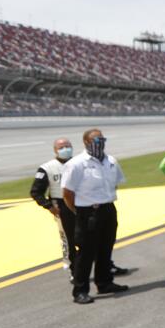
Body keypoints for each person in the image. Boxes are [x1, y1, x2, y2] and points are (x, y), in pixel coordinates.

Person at [62, 129, 129, 304]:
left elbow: (116, 184)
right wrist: (79, 211)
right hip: (87, 212)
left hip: (107, 209)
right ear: (85, 142)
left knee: (106, 248)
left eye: (102, 139)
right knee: (86, 253)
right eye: (95, 140)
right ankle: (80, 290)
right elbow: (67, 193)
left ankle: (105, 282)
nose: (99, 143)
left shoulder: (111, 161)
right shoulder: (76, 164)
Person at [30, 137, 80, 279]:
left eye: (68, 146)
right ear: (55, 150)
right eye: (61, 147)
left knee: (89, 237)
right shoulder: (47, 168)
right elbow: (35, 192)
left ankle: (101, 264)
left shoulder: (80, 163)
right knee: (69, 240)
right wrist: (48, 206)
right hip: (62, 207)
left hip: (82, 203)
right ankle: (74, 271)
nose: (65, 149)